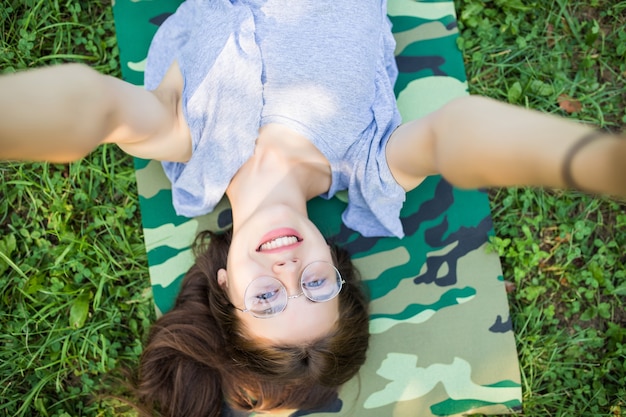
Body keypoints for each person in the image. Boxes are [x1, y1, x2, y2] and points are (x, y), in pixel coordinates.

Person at [1, 0, 625, 416]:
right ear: (338, 264)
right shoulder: (369, 168)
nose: (288, 272)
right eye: (316, 286)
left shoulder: (188, 154)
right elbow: (455, 132)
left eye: (267, 300)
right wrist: (595, 162)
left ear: (224, 287)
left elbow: (92, 105)